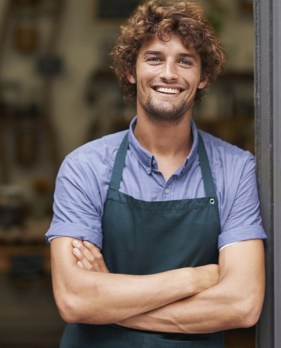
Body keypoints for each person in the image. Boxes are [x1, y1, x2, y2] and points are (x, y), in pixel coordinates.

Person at [45, 1, 267, 346]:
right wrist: (193, 279)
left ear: (203, 76)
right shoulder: (85, 167)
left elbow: (242, 305)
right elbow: (75, 300)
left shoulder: (235, 169)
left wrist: (109, 303)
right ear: (131, 70)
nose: (169, 73)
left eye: (185, 61)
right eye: (154, 58)